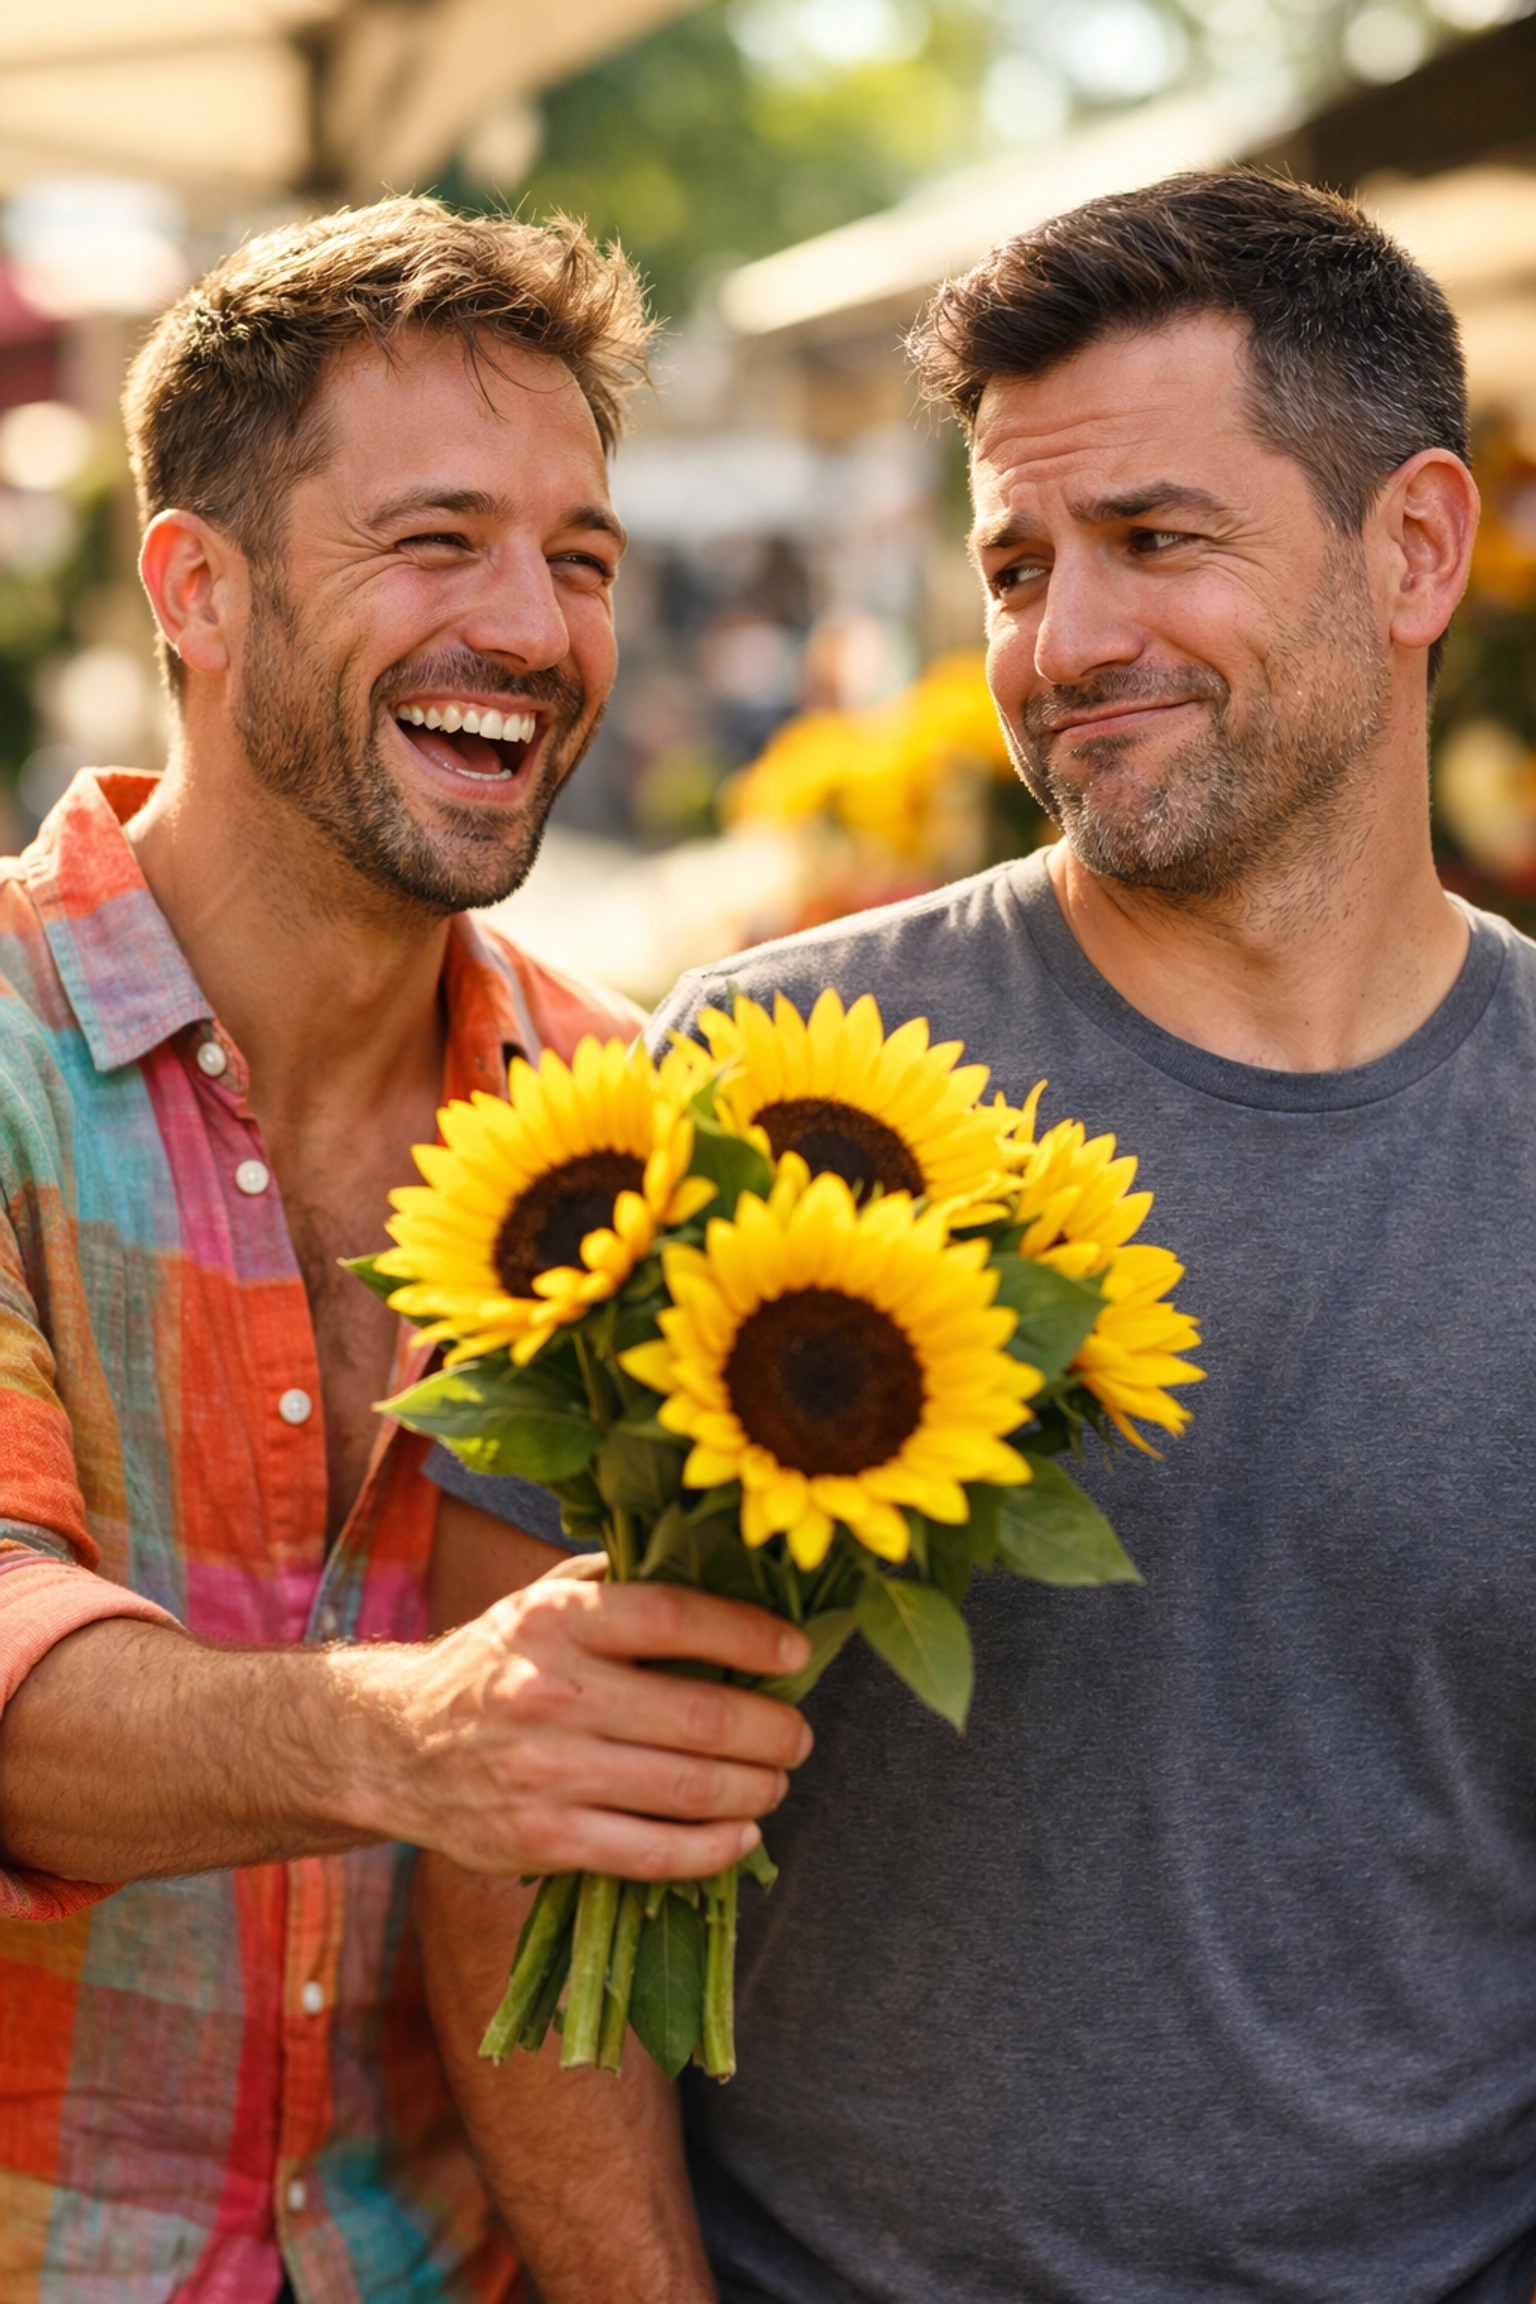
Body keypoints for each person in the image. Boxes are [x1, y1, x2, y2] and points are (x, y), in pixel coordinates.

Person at [429, 172, 1536, 2304]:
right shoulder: (774, 1076)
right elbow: (512, 1819)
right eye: (1017, 566)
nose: (1063, 644)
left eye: (1156, 540)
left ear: (1414, 549)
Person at [0, 198, 812, 2302]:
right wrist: (412, 1737)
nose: (534, 630)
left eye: (580, 558)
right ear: (199, 586)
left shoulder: (636, 1113)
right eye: (437, 540)